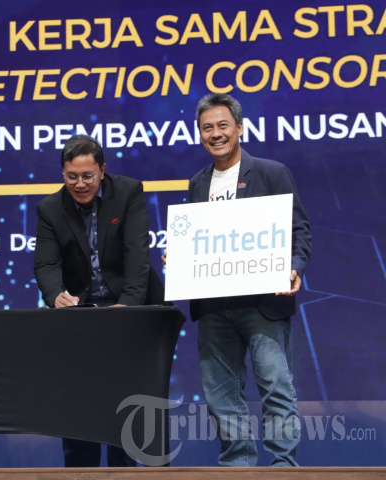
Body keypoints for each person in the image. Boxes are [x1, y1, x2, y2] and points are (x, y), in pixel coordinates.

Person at [188, 92, 312, 466]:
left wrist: (295, 266)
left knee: (276, 385)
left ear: (239, 128)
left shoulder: (271, 172)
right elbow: (200, 238)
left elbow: (299, 230)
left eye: (223, 125)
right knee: (221, 393)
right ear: (200, 134)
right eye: (207, 128)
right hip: (214, 305)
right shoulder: (197, 183)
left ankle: (283, 466)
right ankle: (237, 466)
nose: (215, 134)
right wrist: (182, 255)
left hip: (263, 302)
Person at [33, 134, 150, 467]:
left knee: (126, 408)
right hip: (80, 319)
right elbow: (46, 264)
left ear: (102, 170)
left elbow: (137, 254)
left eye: (88, 176)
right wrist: (55, 296)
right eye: (72, 177)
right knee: (79, 409)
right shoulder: (49, 208)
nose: (80, 184)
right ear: (63, 174)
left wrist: (127, 307)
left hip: (126, 313)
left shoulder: (129, 192)